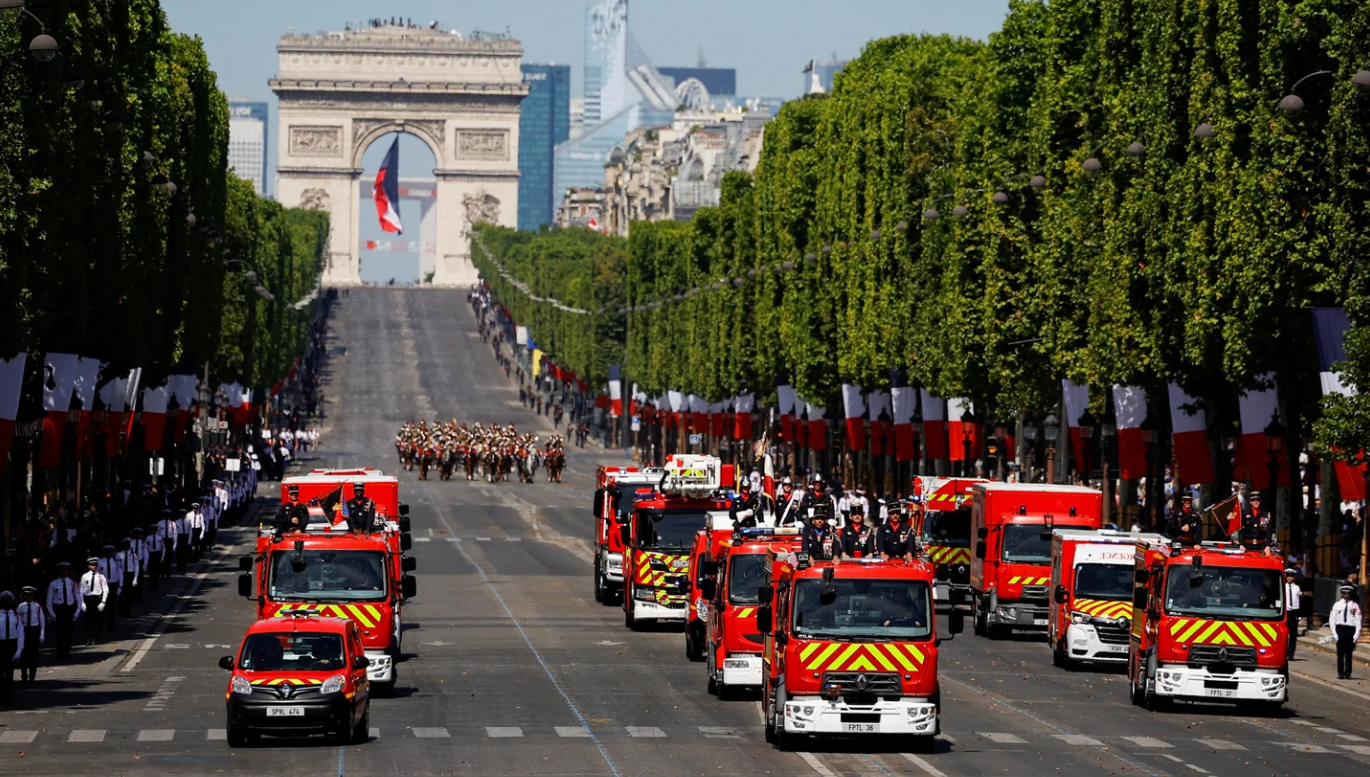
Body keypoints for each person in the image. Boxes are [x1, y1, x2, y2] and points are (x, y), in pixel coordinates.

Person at [45, 561, 80, 659]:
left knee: (69, 633)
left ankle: (67, 651)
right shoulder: (54, 584)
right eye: (62, 570)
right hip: (59, 610)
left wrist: (77, 611)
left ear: (68, 571)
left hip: (69, 609)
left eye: (65, 570)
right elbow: (49, 600)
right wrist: (52, 614)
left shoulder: (72, 583)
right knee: (59, 634)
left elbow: (78, 597)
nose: (64, 572)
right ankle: (60, 653)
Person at [1330, 585, 1362, 679]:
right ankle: (1340, 672)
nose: (1346, 595)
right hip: (1340, 629)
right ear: (1341, 594)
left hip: (1350, 629)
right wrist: (1334, 632)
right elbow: (1332, 619)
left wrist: (1357, 633)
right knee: (1340, 653)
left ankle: (1348, 673)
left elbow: (1358, 619)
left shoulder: (1354, 605)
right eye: (1344, 593)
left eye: (1348, 594)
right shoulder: (1337, 605)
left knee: (1349, 653)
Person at [15, 586, 44, 682]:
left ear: (33, 596)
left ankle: (32, 676)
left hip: (34, 630)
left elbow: (42, 620)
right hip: (24, 630)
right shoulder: (21, 606)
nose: (28, 597)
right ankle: (24, 675)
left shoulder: (37, 606)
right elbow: (17, 620)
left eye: (30, 595)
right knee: (24, 655)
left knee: (34, 655)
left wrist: (42, 633)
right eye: (26, 595)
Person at [79, 557, 108, 646]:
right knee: (87, 620)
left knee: (97, 620)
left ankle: (96, 637)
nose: (94, 567)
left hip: (97, 598)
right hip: (88, 599)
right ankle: (88, 638)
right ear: (89, 566)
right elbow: (81, 589)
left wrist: (103, 602)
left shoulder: (101, 576)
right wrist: (82, 602)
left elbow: (105, 589)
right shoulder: (85, 576)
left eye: (95, 565)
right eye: (92, 565)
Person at [96, 544, 122, 631]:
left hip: (112, 585)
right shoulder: (100, 562)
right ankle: (100, 625)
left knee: (112, 607)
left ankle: (111, 626)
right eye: (108, 552)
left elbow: (120, 573)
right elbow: (97, 574)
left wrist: (120, 586)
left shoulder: (115, 561)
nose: (110, 554)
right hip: (103, 586)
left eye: (111, 552)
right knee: (102, 606)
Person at [0, 592, 21, 699]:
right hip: (1, 644)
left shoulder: (16, 616)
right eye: (4, 601)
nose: (6, 603)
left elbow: (20, 633)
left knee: (9, 670)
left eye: (8, 601)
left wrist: (19, 650)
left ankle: (9, 693)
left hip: (11, 644)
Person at [1284, 568, 1302, 660]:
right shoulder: (1283, 587)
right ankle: (1284, 653)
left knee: (1293, 635)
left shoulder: (1297, 588)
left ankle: (1291, 654)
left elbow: (1300, 600)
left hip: (1294, 612)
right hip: (1286, 611)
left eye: (1291, 577)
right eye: (1288, 576)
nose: (1290, 578)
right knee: (1284, 634)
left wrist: (1300, 614)